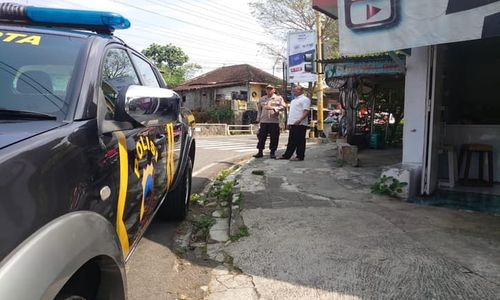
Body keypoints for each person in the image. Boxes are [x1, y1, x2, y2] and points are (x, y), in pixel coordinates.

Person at [253, 84, 286, 159]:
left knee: (274, 138)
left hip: (274, 121)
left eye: (270, 89)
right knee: (261, 137)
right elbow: (259, 110)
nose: (269, 90)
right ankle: (260, 152)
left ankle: (272, 152)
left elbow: (283, 107)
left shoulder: (278, 98)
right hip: (264, 121)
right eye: (267, 89)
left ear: (274, 90)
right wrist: (258, 118)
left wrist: (273, 108)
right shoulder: (262, 99)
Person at [279, 85, 311, 161]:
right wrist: (289, 123)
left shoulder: (305, 99)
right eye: (293, 91)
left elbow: (306, 111)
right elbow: (292, 113)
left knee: (300, 140)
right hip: (293, 123)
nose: (293, 92)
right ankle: (287, 155)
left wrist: (300, 120)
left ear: (301, 91)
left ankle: (300, 156)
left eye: (295, 91)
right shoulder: (293, 101)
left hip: (300, 123)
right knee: (291, 140)